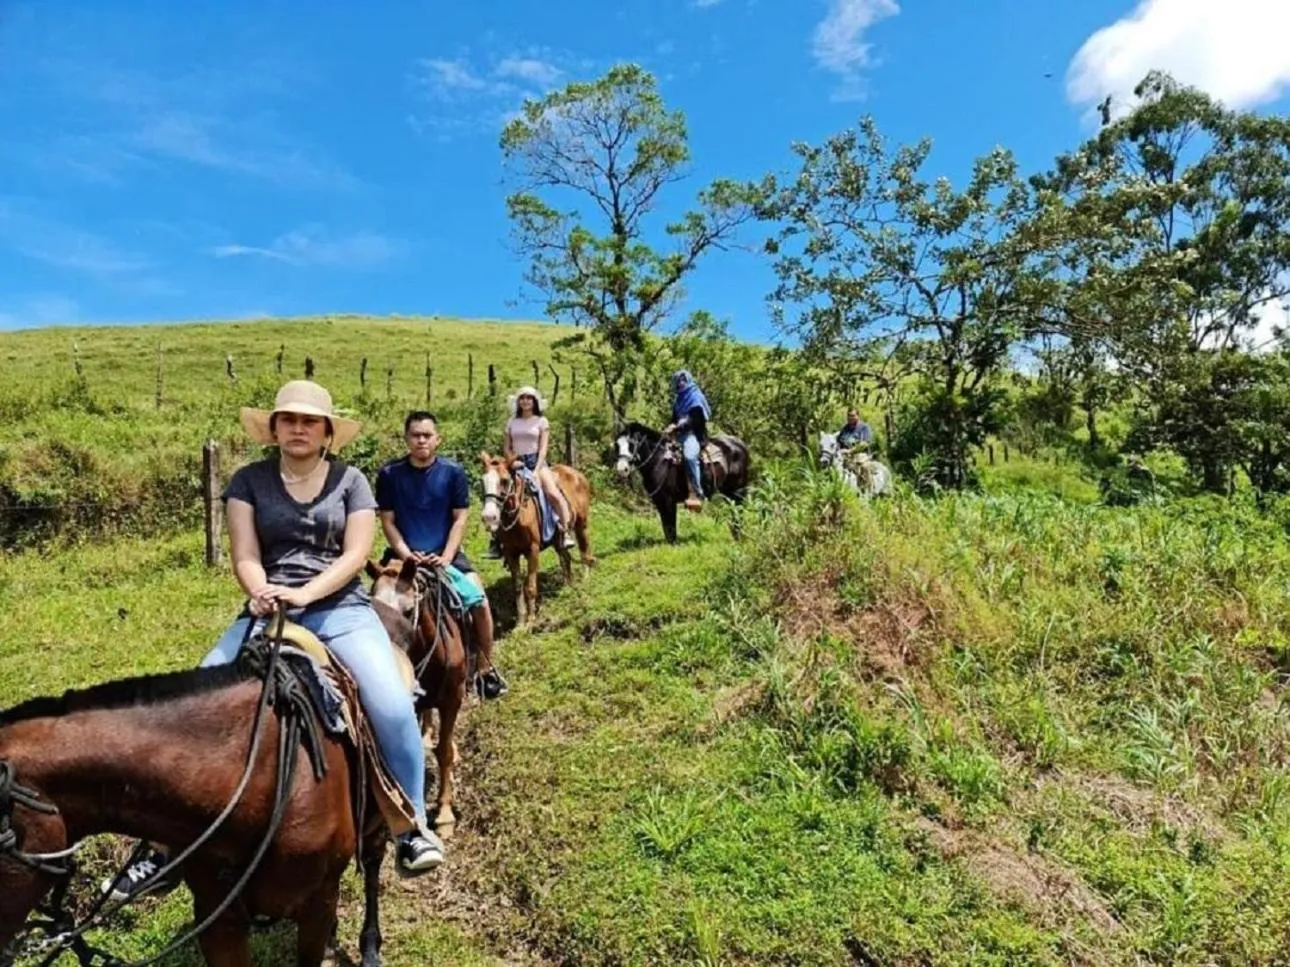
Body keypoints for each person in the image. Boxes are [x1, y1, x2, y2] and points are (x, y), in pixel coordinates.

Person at [102, 380, 444, 903]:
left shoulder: (352, 481)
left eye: (310, 421)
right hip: (268, 608)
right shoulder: (248, 481)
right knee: (190, 707)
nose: (299, 428)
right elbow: (245, 552)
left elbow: (356, 554)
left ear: (327, 433)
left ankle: (410, 826)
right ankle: (163, 847)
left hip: (340, 609)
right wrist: (260, 590)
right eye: (289, 420)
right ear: (275, 429)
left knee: (393, 704)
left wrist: (305, 592)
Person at [375, 411, 506, 701]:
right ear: (406, 439)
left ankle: (485, 669)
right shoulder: (389, 474)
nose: (421, 440)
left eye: (427, 435)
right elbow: (388, 522)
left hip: (446, 556)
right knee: (378, 606)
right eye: (415, 435)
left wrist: (446, 557)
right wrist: (408, 556)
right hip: (401, 558)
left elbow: (460, 518)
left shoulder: (453, 472)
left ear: (438, 439)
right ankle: (378, 672)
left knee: (480, 601)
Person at [501, 386, 577, 550]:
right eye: (522, 398)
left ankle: (565, 531)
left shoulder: (541, 421)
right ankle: (497, 538)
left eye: (529, 398)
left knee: (553, 493)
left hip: (537, 462)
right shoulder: (512, 422)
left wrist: (536, 470)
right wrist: (511, 462)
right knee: (500, 495)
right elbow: (506, 447)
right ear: (518, 402)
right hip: (516, 462)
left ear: (534, 402)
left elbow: (543, 448)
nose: (525, 401)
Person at [663, 369, 711, 512]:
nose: (680, 384)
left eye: (682, 381)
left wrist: (678, 426)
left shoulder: (695, 397)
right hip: (678, 436)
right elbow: (674, 418)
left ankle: (697, 492)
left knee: (689, 457)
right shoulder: (678, 400)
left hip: (692, 435)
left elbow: (696, 419)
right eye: (678, 382)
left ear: (688, 380)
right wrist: (670, 427)